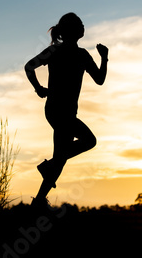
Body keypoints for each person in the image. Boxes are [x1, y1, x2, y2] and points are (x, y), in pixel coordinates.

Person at [24, 12, 109, 208]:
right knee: (89, 141)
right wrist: (104, 58)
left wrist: (38, 89)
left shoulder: (63, 52)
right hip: (61, 112)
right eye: (80, 23)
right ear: (75, 30)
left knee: (61, 157)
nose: (83, 26)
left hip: (58, 111)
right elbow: (100, 79)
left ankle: (38, 201)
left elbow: (29, 67)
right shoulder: (71, 53)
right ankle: (48, 168)